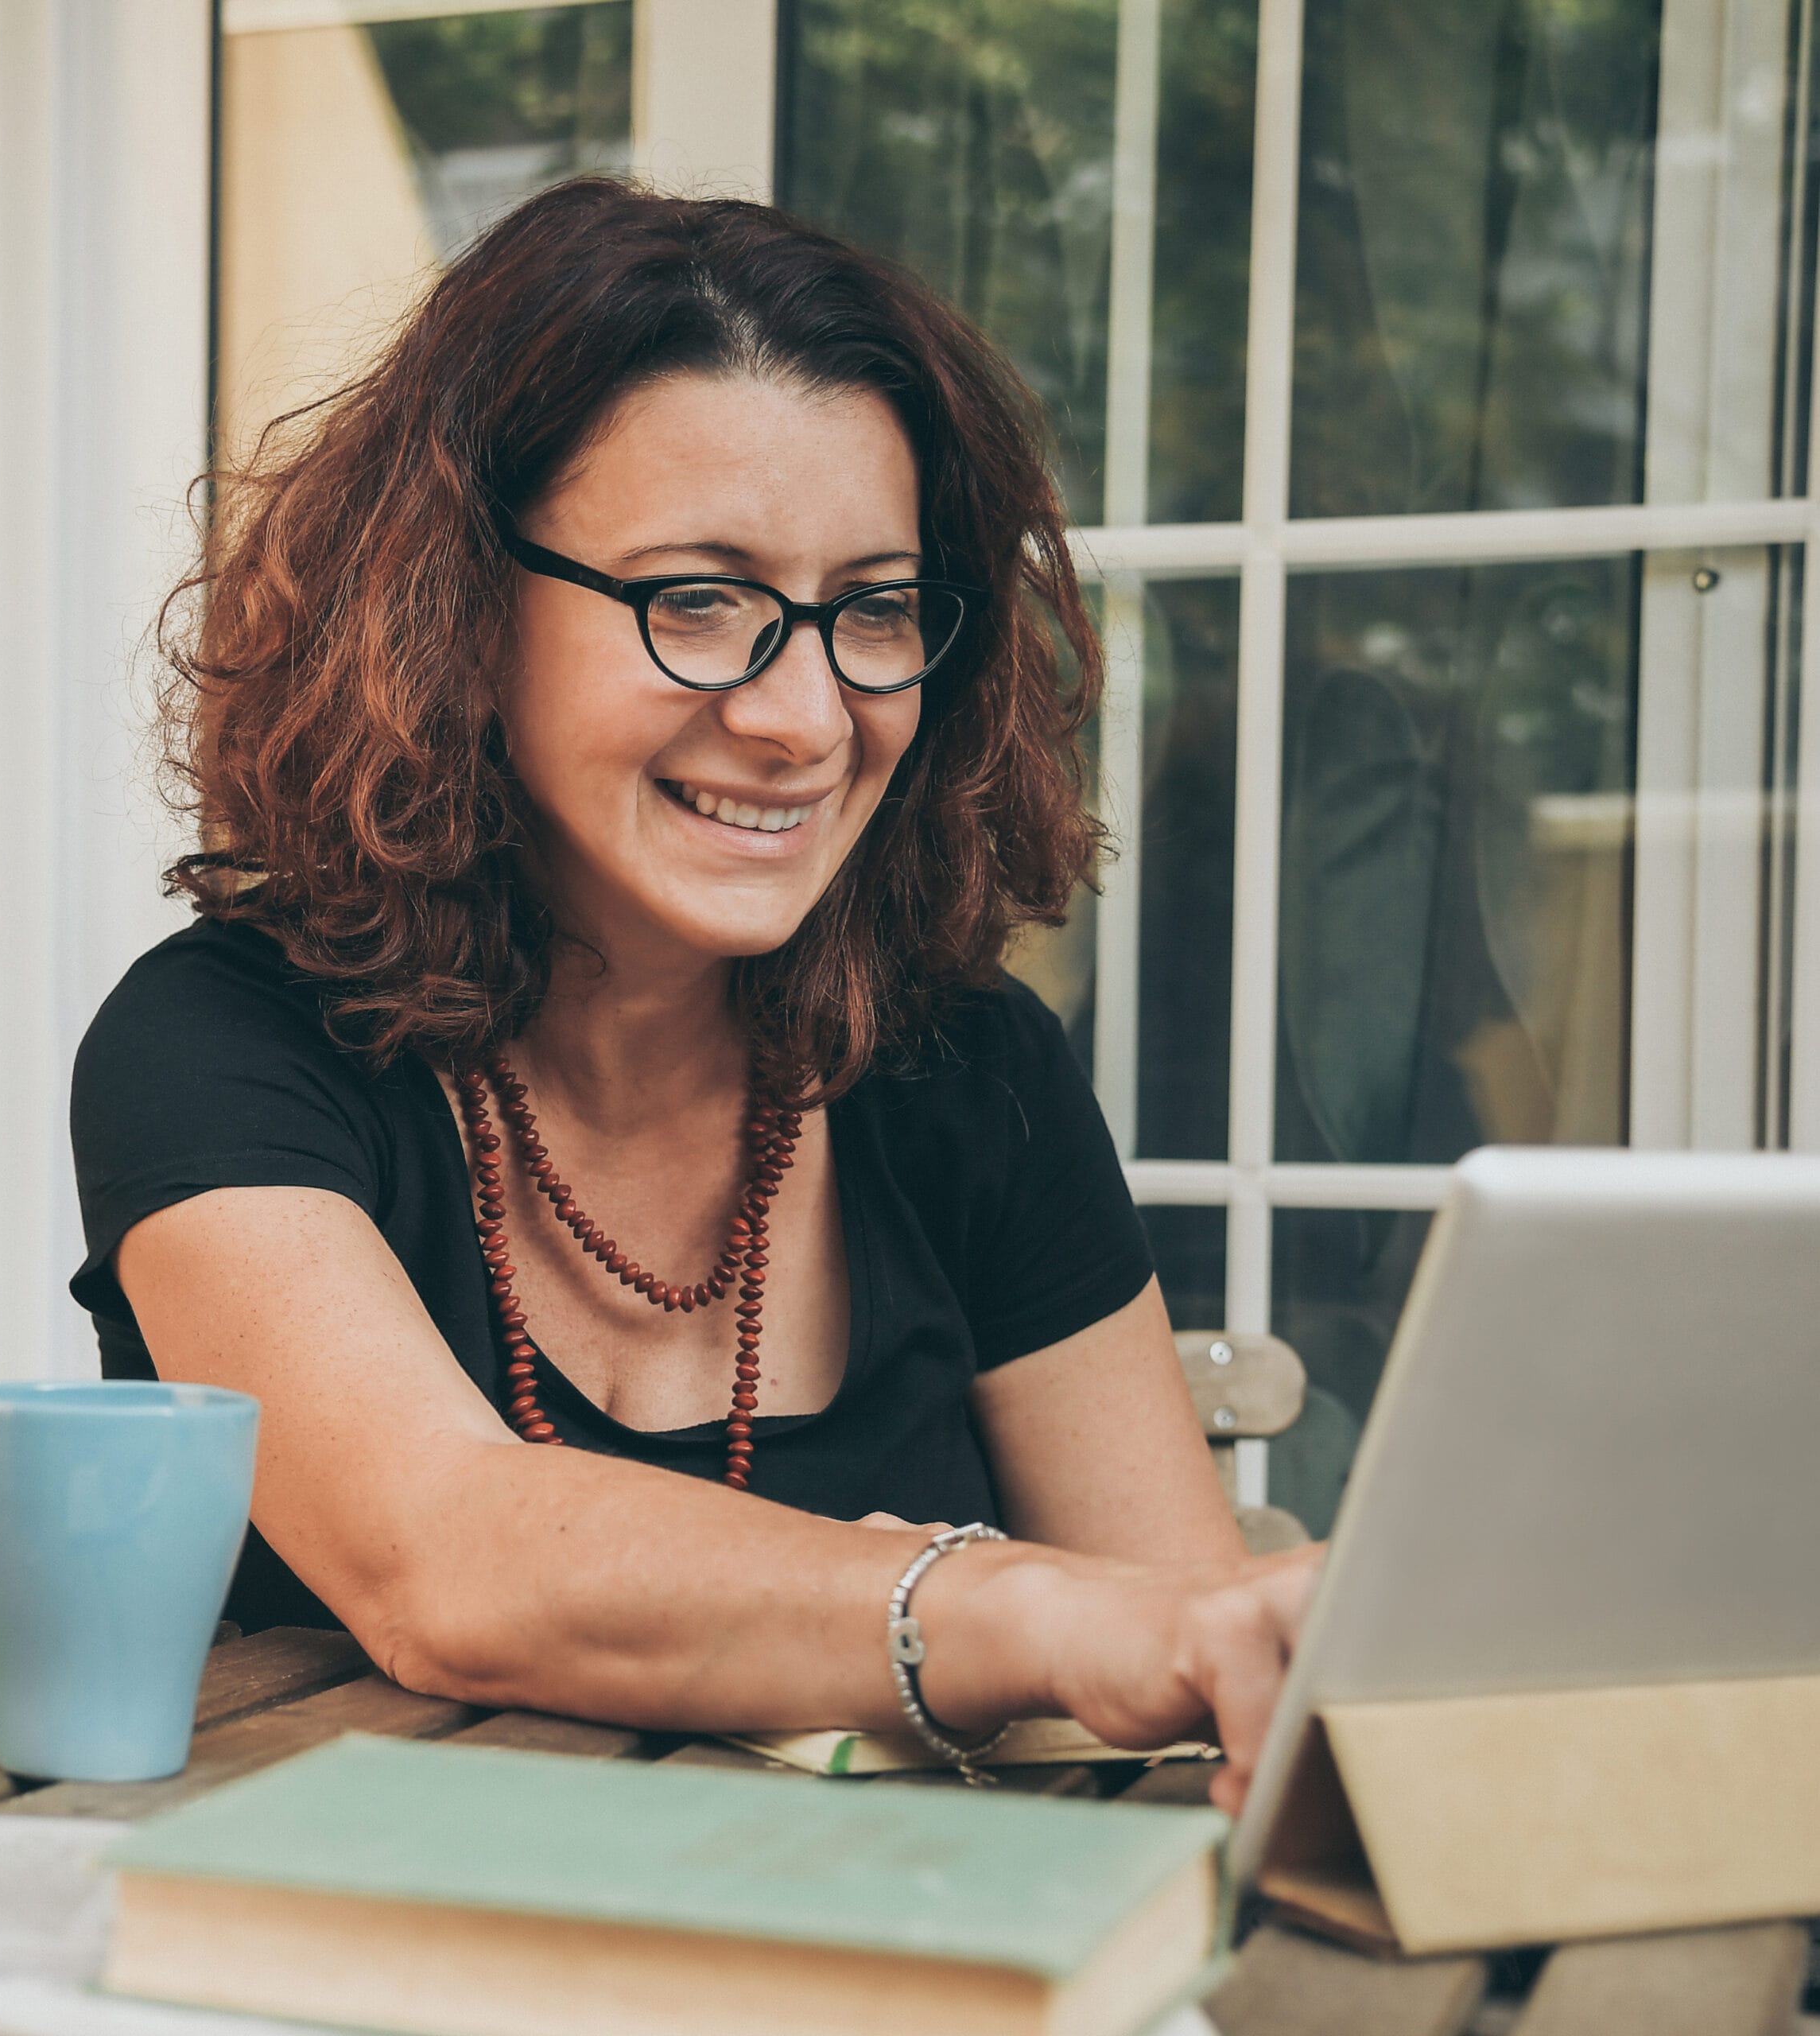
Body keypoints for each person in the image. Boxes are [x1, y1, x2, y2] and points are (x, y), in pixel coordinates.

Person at [71, 179, 1317, 1809]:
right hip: (370, 1927)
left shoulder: (971, 1070)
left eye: (873, 609)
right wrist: (1008, 1603)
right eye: (699, 600)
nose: (807, 718)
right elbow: (441, 1556)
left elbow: (1196, 1642)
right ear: (458, 607)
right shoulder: (219, 1046)